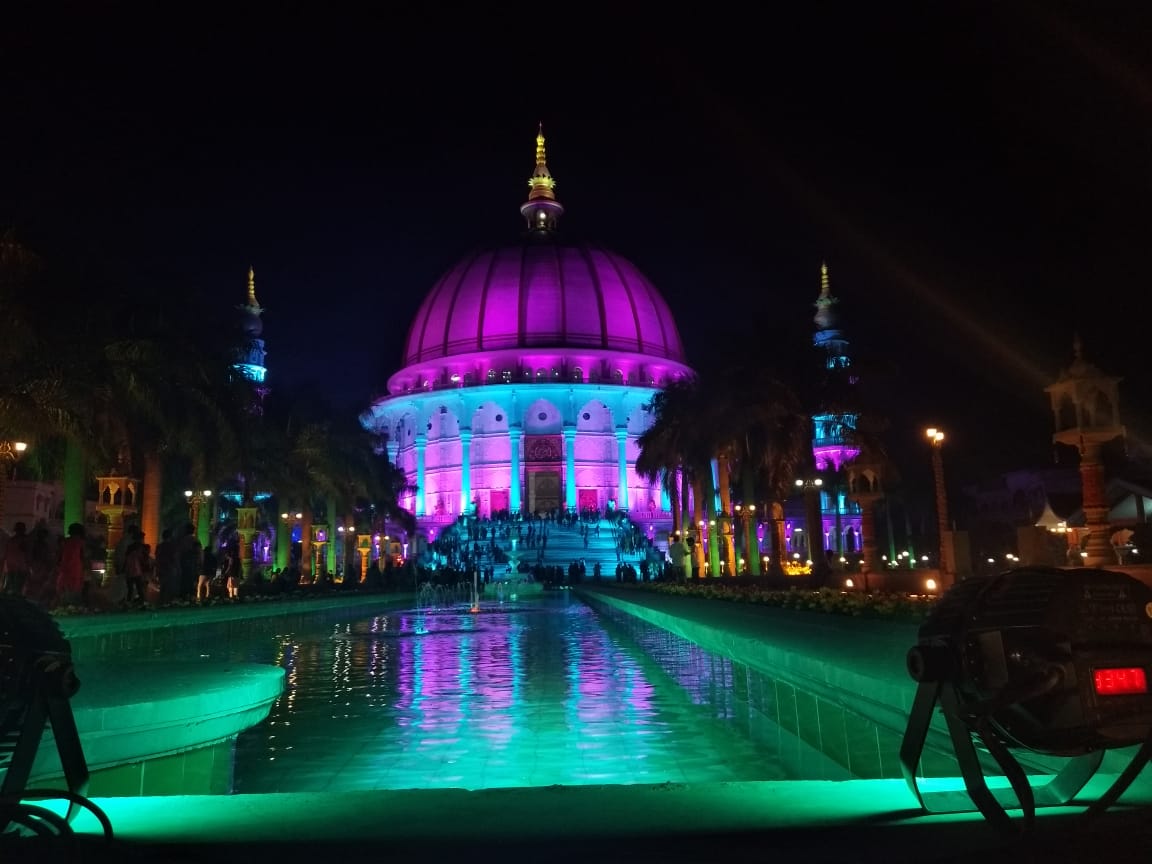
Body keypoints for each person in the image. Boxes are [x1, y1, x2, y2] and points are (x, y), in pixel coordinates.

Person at [56, 522, 90, 608]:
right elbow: (84, 557)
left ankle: (64, 607)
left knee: (64, 589)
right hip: (75, 569)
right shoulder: (81, 543)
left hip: (64, 569)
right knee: (75, 589)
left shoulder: (65, 542)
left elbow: (59, 555)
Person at [2, 521, 30, 596]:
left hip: (11, 568)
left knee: (9, 588)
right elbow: (27, 554)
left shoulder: (11, 540)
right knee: (17, 590)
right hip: (20, 568)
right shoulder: (24, 540)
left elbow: (5, 555)